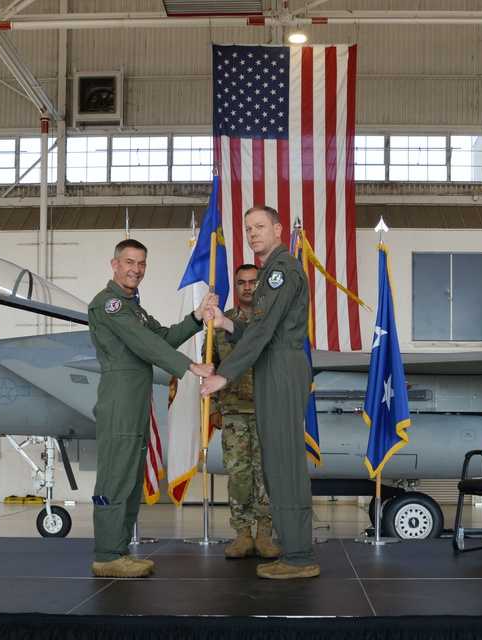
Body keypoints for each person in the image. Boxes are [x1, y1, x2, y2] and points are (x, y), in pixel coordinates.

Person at [200, 205, 319, 580]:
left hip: (280, 365)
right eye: (248, 228)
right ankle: (294, 551)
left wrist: (225, 375)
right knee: (277, 462)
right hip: (274, 363)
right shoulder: (270, 272)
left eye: (260, 226)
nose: (253, 233)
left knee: (284, 463)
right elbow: (261, 325)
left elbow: (266, 330)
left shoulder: (281, 271)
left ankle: (299, 557)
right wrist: (226, 323)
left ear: (278, 229)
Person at [88, 238, 212, 578]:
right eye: (129, 262)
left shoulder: (133, 308)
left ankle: (119, 550)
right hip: (119, 399)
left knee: (130, 478)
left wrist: (195, 318)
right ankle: (106, 554)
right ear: (114, 265)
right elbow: (144, 343)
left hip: (136, 399)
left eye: (141, 263)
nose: (136, 269)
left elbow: (161, 337)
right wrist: (190, 366)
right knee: (115, 477)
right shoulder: (109, 304)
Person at [206, 263, 280, 559]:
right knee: (238, 474)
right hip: (233, 411)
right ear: (235, 287)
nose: (248, 287)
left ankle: (265, 534)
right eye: (242, 282)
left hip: (268, 410)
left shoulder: (272, 321)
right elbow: (209, 366)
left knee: (266, 475)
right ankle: (242, 535)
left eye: (253, 282)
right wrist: (213, 406)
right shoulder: (221, 323)